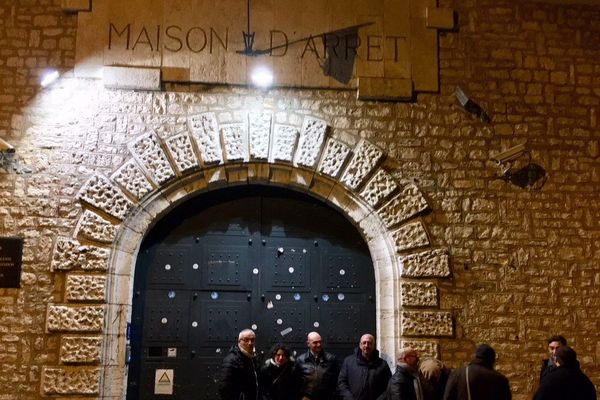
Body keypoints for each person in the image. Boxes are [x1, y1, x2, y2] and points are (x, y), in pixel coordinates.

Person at [442, 344, 510, 400]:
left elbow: (447, 397)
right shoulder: (501, 380)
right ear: (492, 360)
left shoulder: (458, 374)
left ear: (476, 356)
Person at [338, 333, 391, 400]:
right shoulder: (348, 361)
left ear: (374, 345)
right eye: (364, 343)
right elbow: (342, 382)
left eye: (369, 343)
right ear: (360, 345)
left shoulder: (382, 364)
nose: (366, 345)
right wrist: (349, 398)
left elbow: (389, 386)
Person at [295, 331, 340, 400]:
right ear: (308, 343)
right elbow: (295, 383)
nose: (319, 344)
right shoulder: (300, 360)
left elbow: (338, 381)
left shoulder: (331, 359)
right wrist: (301, 397)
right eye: (315, 342)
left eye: (320, 341)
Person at [219, 328, 260, 400]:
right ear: (239, 341)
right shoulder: (231, 359)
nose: (250, 343)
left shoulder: (252, 357)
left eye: (252, 340)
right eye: (246, 340)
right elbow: (224, 387)